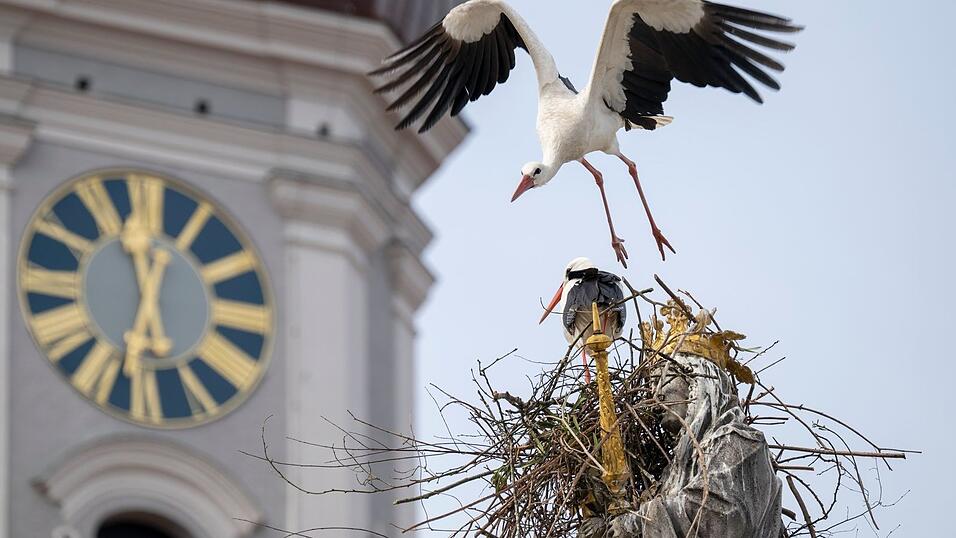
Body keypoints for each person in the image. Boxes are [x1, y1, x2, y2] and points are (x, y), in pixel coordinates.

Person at [581, 354, 785, 537]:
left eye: (664, 379)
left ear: (697, 381)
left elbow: (721, 517)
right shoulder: (672, 471)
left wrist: (637, 523)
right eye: (653, 385)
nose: (656, 395)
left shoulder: (741, 443)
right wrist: (606, 524)